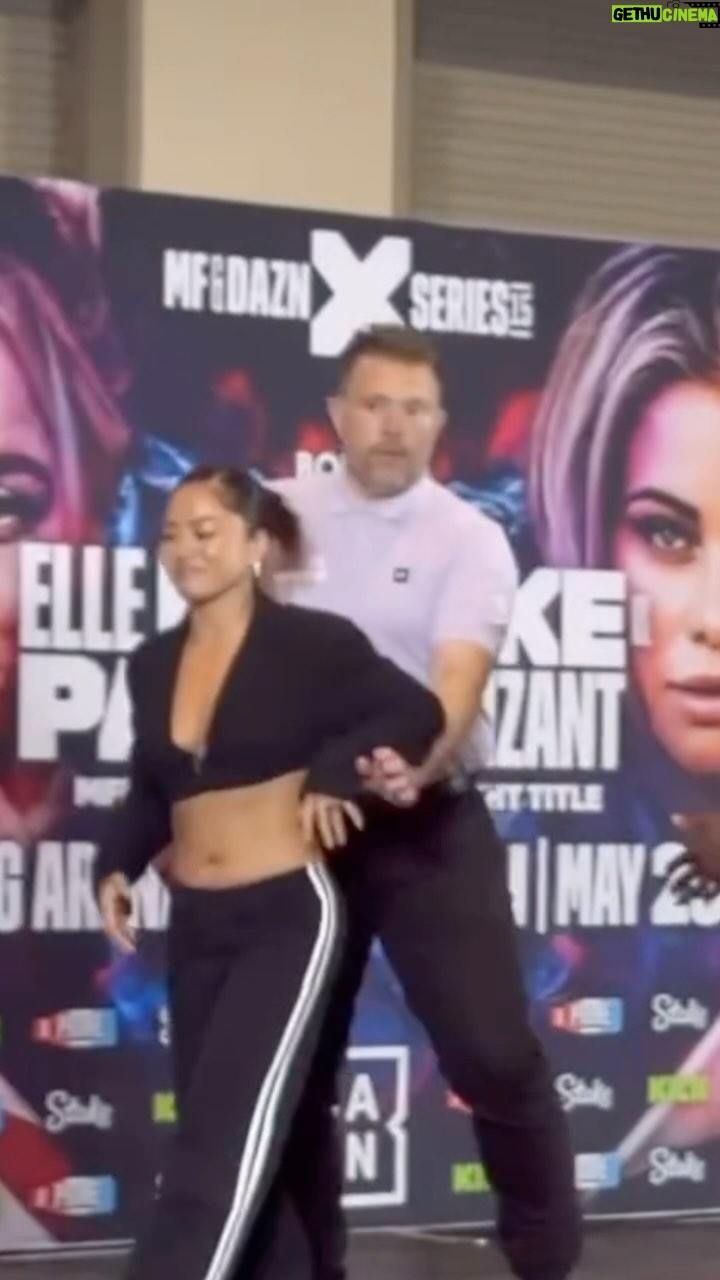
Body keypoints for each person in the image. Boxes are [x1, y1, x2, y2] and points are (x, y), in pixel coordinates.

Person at [270, 327, 582, 1280]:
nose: (393, 425)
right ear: (338, 414)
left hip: (426, 816)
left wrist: (416, 760)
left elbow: (458, 681)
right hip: (299, 825)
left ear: (440, 423)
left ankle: (544, 1258)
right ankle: (309, 1265)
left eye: (414, 408)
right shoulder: (274, 516)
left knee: (493, 1052)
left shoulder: (469, 537)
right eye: (375, 404)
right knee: (298, 1067)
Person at [93, 464, 443, 1280]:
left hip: (286, 915)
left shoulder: (311, 644)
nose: (185, 550)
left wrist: (333, 773)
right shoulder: (153, 663)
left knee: (222, 1140)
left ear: (255, 544)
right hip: (198, 922)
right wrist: (116, 864)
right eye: (171, 535)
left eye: (205, 531)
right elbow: (154, 787)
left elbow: (415, 710)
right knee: (241, 1137)